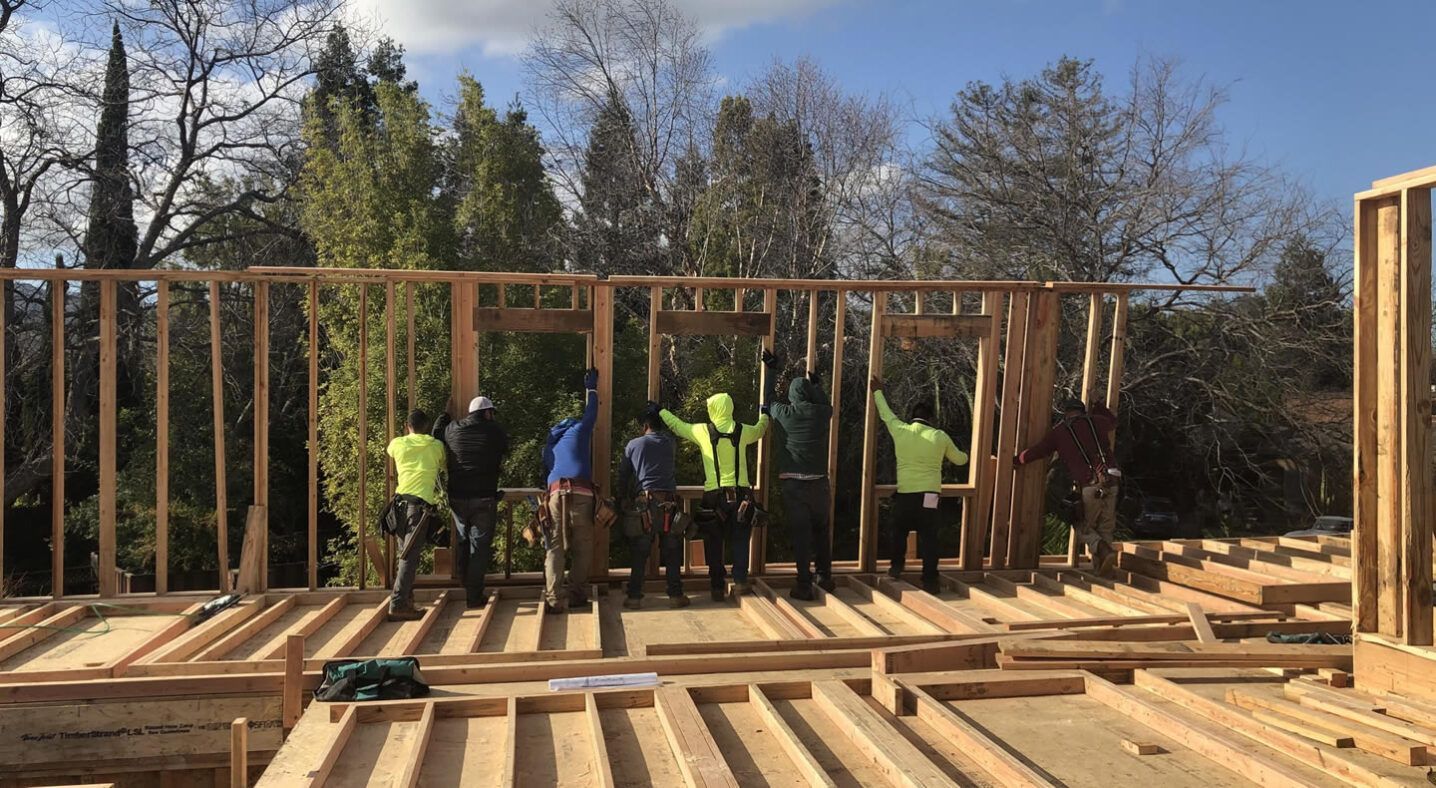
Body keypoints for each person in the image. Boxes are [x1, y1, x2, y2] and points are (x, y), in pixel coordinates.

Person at [660, 368, 773, 601]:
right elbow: (761, 429)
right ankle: (740, 581)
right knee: (741, 538)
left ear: (712, 410)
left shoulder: (703, 431)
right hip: (742, 495)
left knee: (714, 541)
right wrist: (764, 413)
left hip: (714, 497)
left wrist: (660, 410)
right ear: (729, 408)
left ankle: (716, 586)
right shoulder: (742, 431)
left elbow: (678, 426)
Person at [870, 377, 968, 594]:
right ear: (930, 419)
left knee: (898, 532)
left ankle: (896, 566)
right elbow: (960, 460)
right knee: (930, 537)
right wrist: (966, 453)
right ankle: (931, 581)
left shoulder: (902, 430)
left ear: (912, 417)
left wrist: (877, 391)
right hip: (930, 496)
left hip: (905, 495)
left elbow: (887, 415)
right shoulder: (939, 436)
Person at [1016, 399, 1120, 576]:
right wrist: (1099, 405)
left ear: (1066, 413)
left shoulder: (1060, 432)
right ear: (1083, 411)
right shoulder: (1097, 421)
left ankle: (1102, 549)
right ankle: (1104, 572)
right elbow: (1112, 421)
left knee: (1082, 524)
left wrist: (1017, 459)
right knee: (1105, 527)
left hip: (1090, 484)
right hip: (1113, 481)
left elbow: (1039, 450)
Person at [765, 355, 834, 601]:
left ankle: (804, 585)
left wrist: (771, 371)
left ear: (793, 396)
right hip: (819, 484)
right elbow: (828, 406)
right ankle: (825, 577)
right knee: (821, 530)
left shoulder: (785, 413)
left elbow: (768, 401)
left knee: (801, 535)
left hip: (794, 484)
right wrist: (817, 387)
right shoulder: (821, 414)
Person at [433, 395, 508, 609]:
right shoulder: (494, 431)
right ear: (487, 413)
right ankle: (474, 596)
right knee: (479, 546)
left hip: (457, 497)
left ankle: (463, 580)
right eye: (492, 412)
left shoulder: (453, 428)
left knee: (463, 538)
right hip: (483, 498)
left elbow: (436, 433)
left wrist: (446, 413)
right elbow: (505, 446)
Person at [617, 404, 689, 610]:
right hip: (669, 505)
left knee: (640, 552)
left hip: (644, 505)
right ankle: (676, 596)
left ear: (646, 425)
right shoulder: (670, 443)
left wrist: (621, 498)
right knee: (672, 552)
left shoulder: (634, 445)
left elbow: (624, 475)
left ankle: (634, 597)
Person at [541, 367, 600, 615]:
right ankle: (576, 595)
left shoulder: (549, 448)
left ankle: (554, 599)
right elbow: (591, 414)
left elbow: (548, 473)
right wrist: (592, 389)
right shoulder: (578, 430)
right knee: (583, 546)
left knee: (555, 546)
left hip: (555, 495)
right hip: (582, 493)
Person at [384, 409, 446, 621]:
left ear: (406, 425)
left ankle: (406, 600)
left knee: (405, 553)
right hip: (419, 509)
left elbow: (390, 450)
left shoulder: (398, 444)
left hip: (399, 505)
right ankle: (399, 603)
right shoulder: (435, 446)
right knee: (409, 557)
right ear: (427, 426)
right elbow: (443, 464)